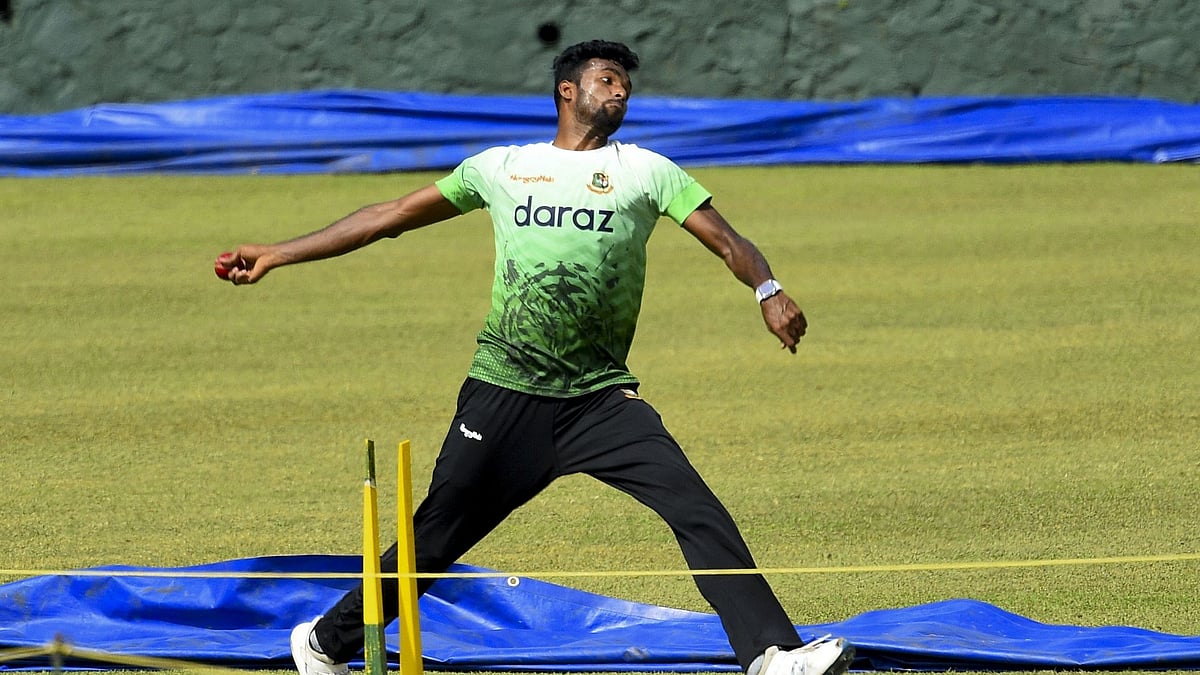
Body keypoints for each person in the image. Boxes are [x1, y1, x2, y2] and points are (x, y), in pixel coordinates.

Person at [216, 40, 853, 675]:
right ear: (567, 92)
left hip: (599, 401)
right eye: (607, 79)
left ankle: (773, 654)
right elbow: (389, 216)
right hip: (504, 394)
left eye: (625, 83)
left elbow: (728, 240)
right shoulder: (504, 167)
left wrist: (767, 289)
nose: (621, 91)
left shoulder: (649, 171)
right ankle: (325, 644)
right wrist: (277, 253)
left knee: (693, 506)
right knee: (437, 537)